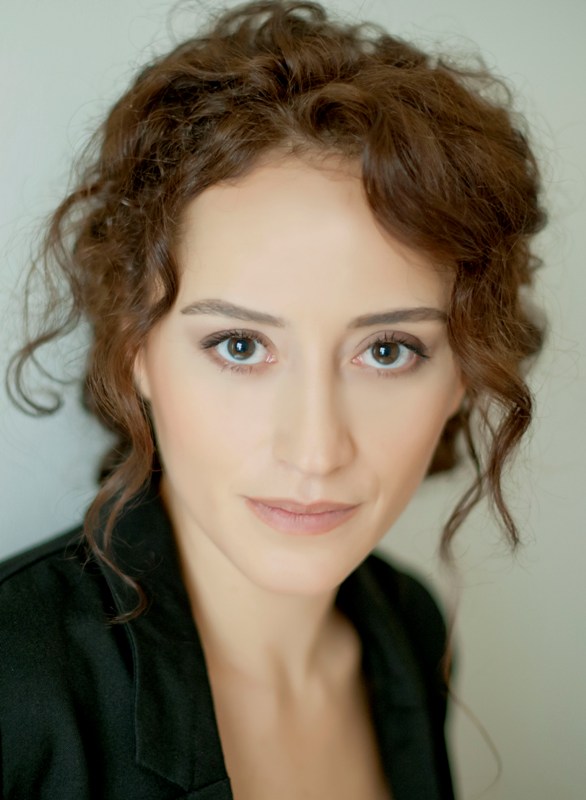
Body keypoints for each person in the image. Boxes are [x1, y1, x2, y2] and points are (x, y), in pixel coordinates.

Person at [0, 1, 546, 798]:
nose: (315, 450)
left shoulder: (409, 627)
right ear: (134, 349)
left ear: (464, 369)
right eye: (240, 346)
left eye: (387, 351)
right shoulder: (15, 685)